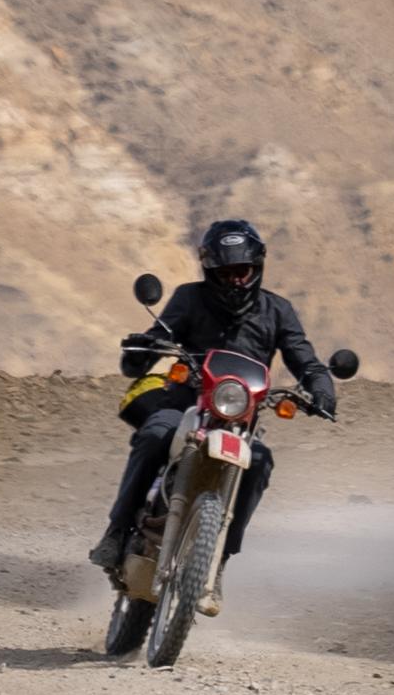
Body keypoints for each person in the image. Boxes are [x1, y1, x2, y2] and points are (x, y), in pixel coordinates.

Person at [89, 217, 336, 586]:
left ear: (257, 268)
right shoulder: (189, 297)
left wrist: (321, 388)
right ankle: (116, 530)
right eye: (226, 272)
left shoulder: (277, 310)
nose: (236, 279)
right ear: (210, 271)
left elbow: (304, 358)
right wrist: (142, 349)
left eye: (243, 271)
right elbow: (161, 334)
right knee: (157, 432)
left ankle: (218, 559)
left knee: (261, 461)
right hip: (187, 400)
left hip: (240, 416)